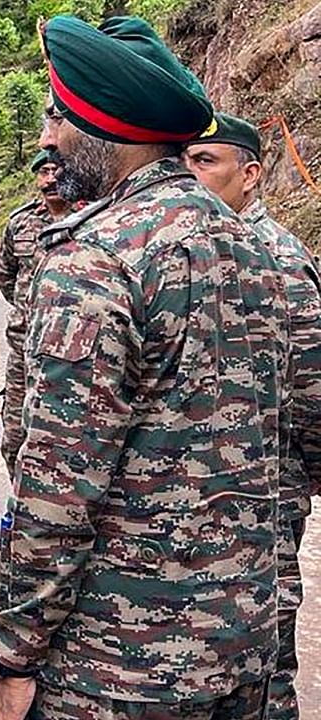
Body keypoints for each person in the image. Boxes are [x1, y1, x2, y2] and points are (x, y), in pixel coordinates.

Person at [0, 16, 288, 720]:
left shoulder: (96, 259)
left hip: (118, 666)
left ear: (102, 127)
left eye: (59, 120)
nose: (47, 140)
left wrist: (13, 655)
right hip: (242, 646)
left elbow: (58, 490)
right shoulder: (259, 248)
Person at [184, 112, 321, 720]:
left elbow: (312, 391)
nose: (191, 174)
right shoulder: (186, 247)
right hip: (189, 492)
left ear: (252, 175)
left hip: (264, 493)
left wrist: (303, 479)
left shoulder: (280, 262)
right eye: (184, 160)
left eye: (206, 162)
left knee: (262, 657)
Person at [0, 150, 74, 482]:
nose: (50, 179)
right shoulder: (21, 223)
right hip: (25, 352)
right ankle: (20, 509)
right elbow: (6, 277)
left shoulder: (95, 217)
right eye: (43, 171)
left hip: (74, 354)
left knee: (67, 441)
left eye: (57, 171)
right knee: (15, 438)